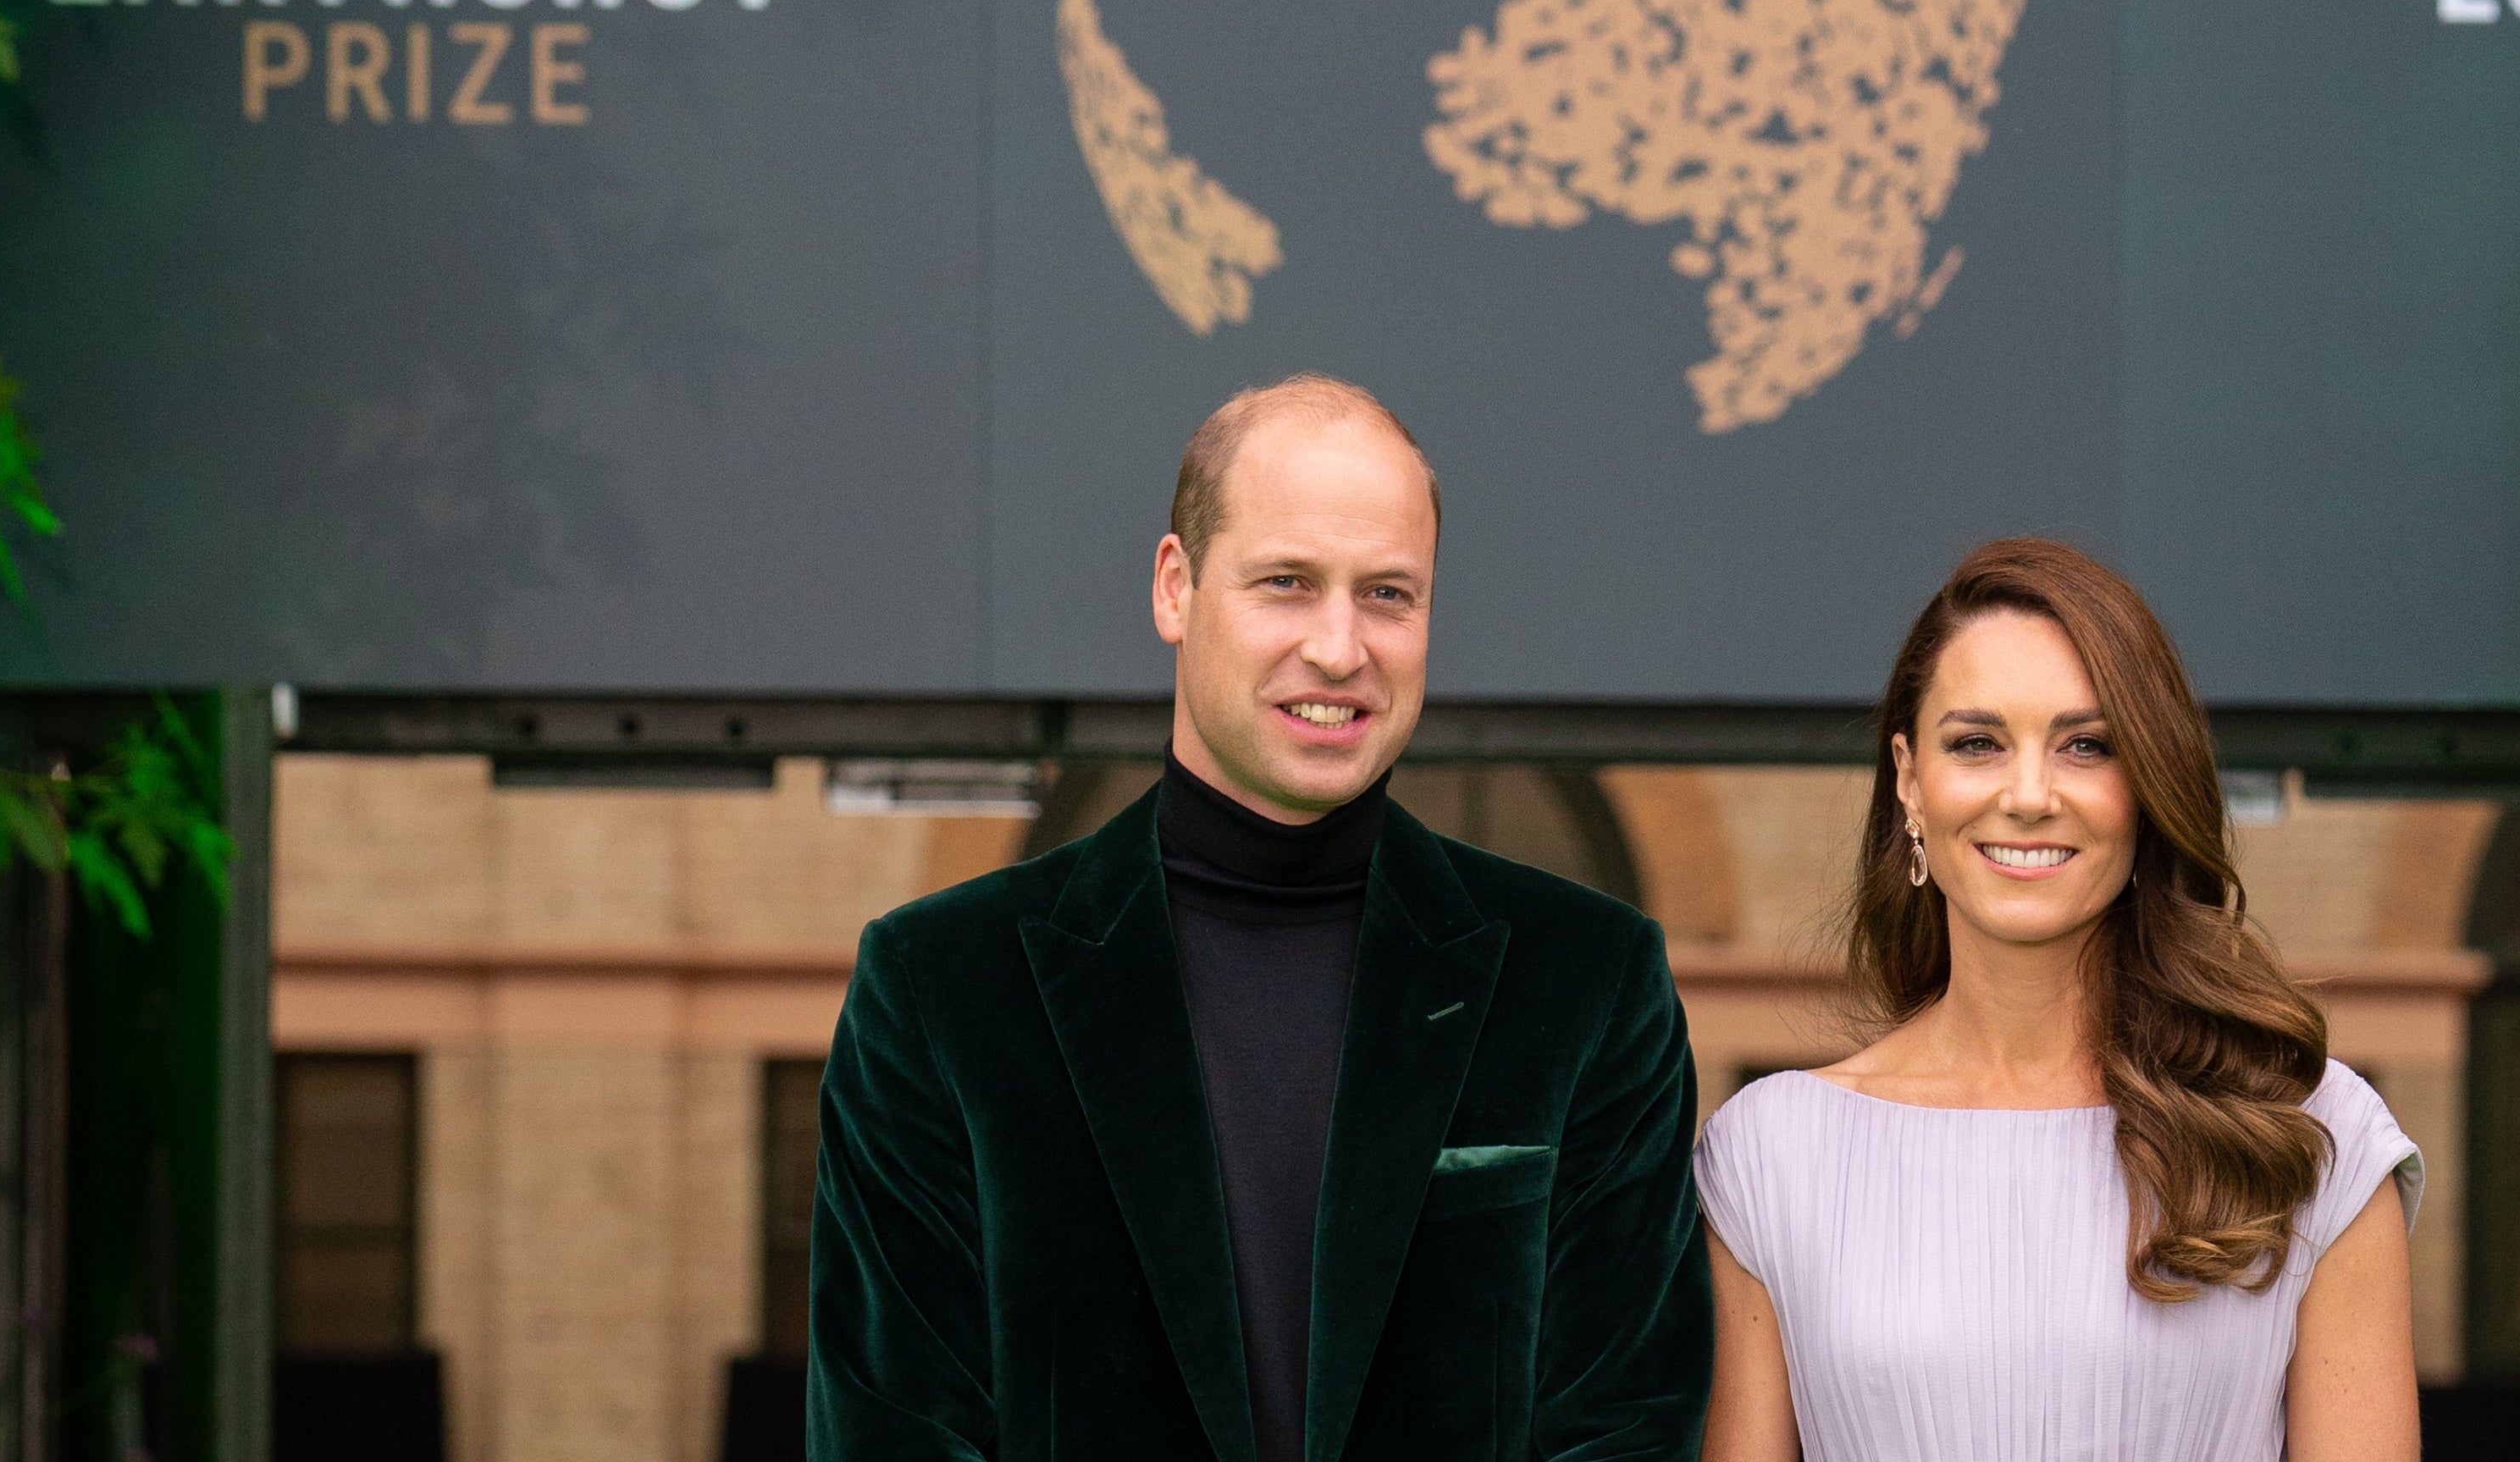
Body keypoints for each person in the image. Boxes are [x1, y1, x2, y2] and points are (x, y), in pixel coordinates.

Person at [810, 374, 1711, 1462]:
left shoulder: (1589, 984)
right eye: (1287, 581)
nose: (1340, 648)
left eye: (1388, 593)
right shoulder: (940, 986)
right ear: (1175, 588)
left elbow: (1621, 1428)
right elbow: (896, 1431)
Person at [1694, 538, 2421, 1462]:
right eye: (1978, 743)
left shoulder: (2316, 1137)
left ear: (2149, 784)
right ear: (1911, 779)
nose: (2030, 794)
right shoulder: (1770, 1153)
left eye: (2087, 744)